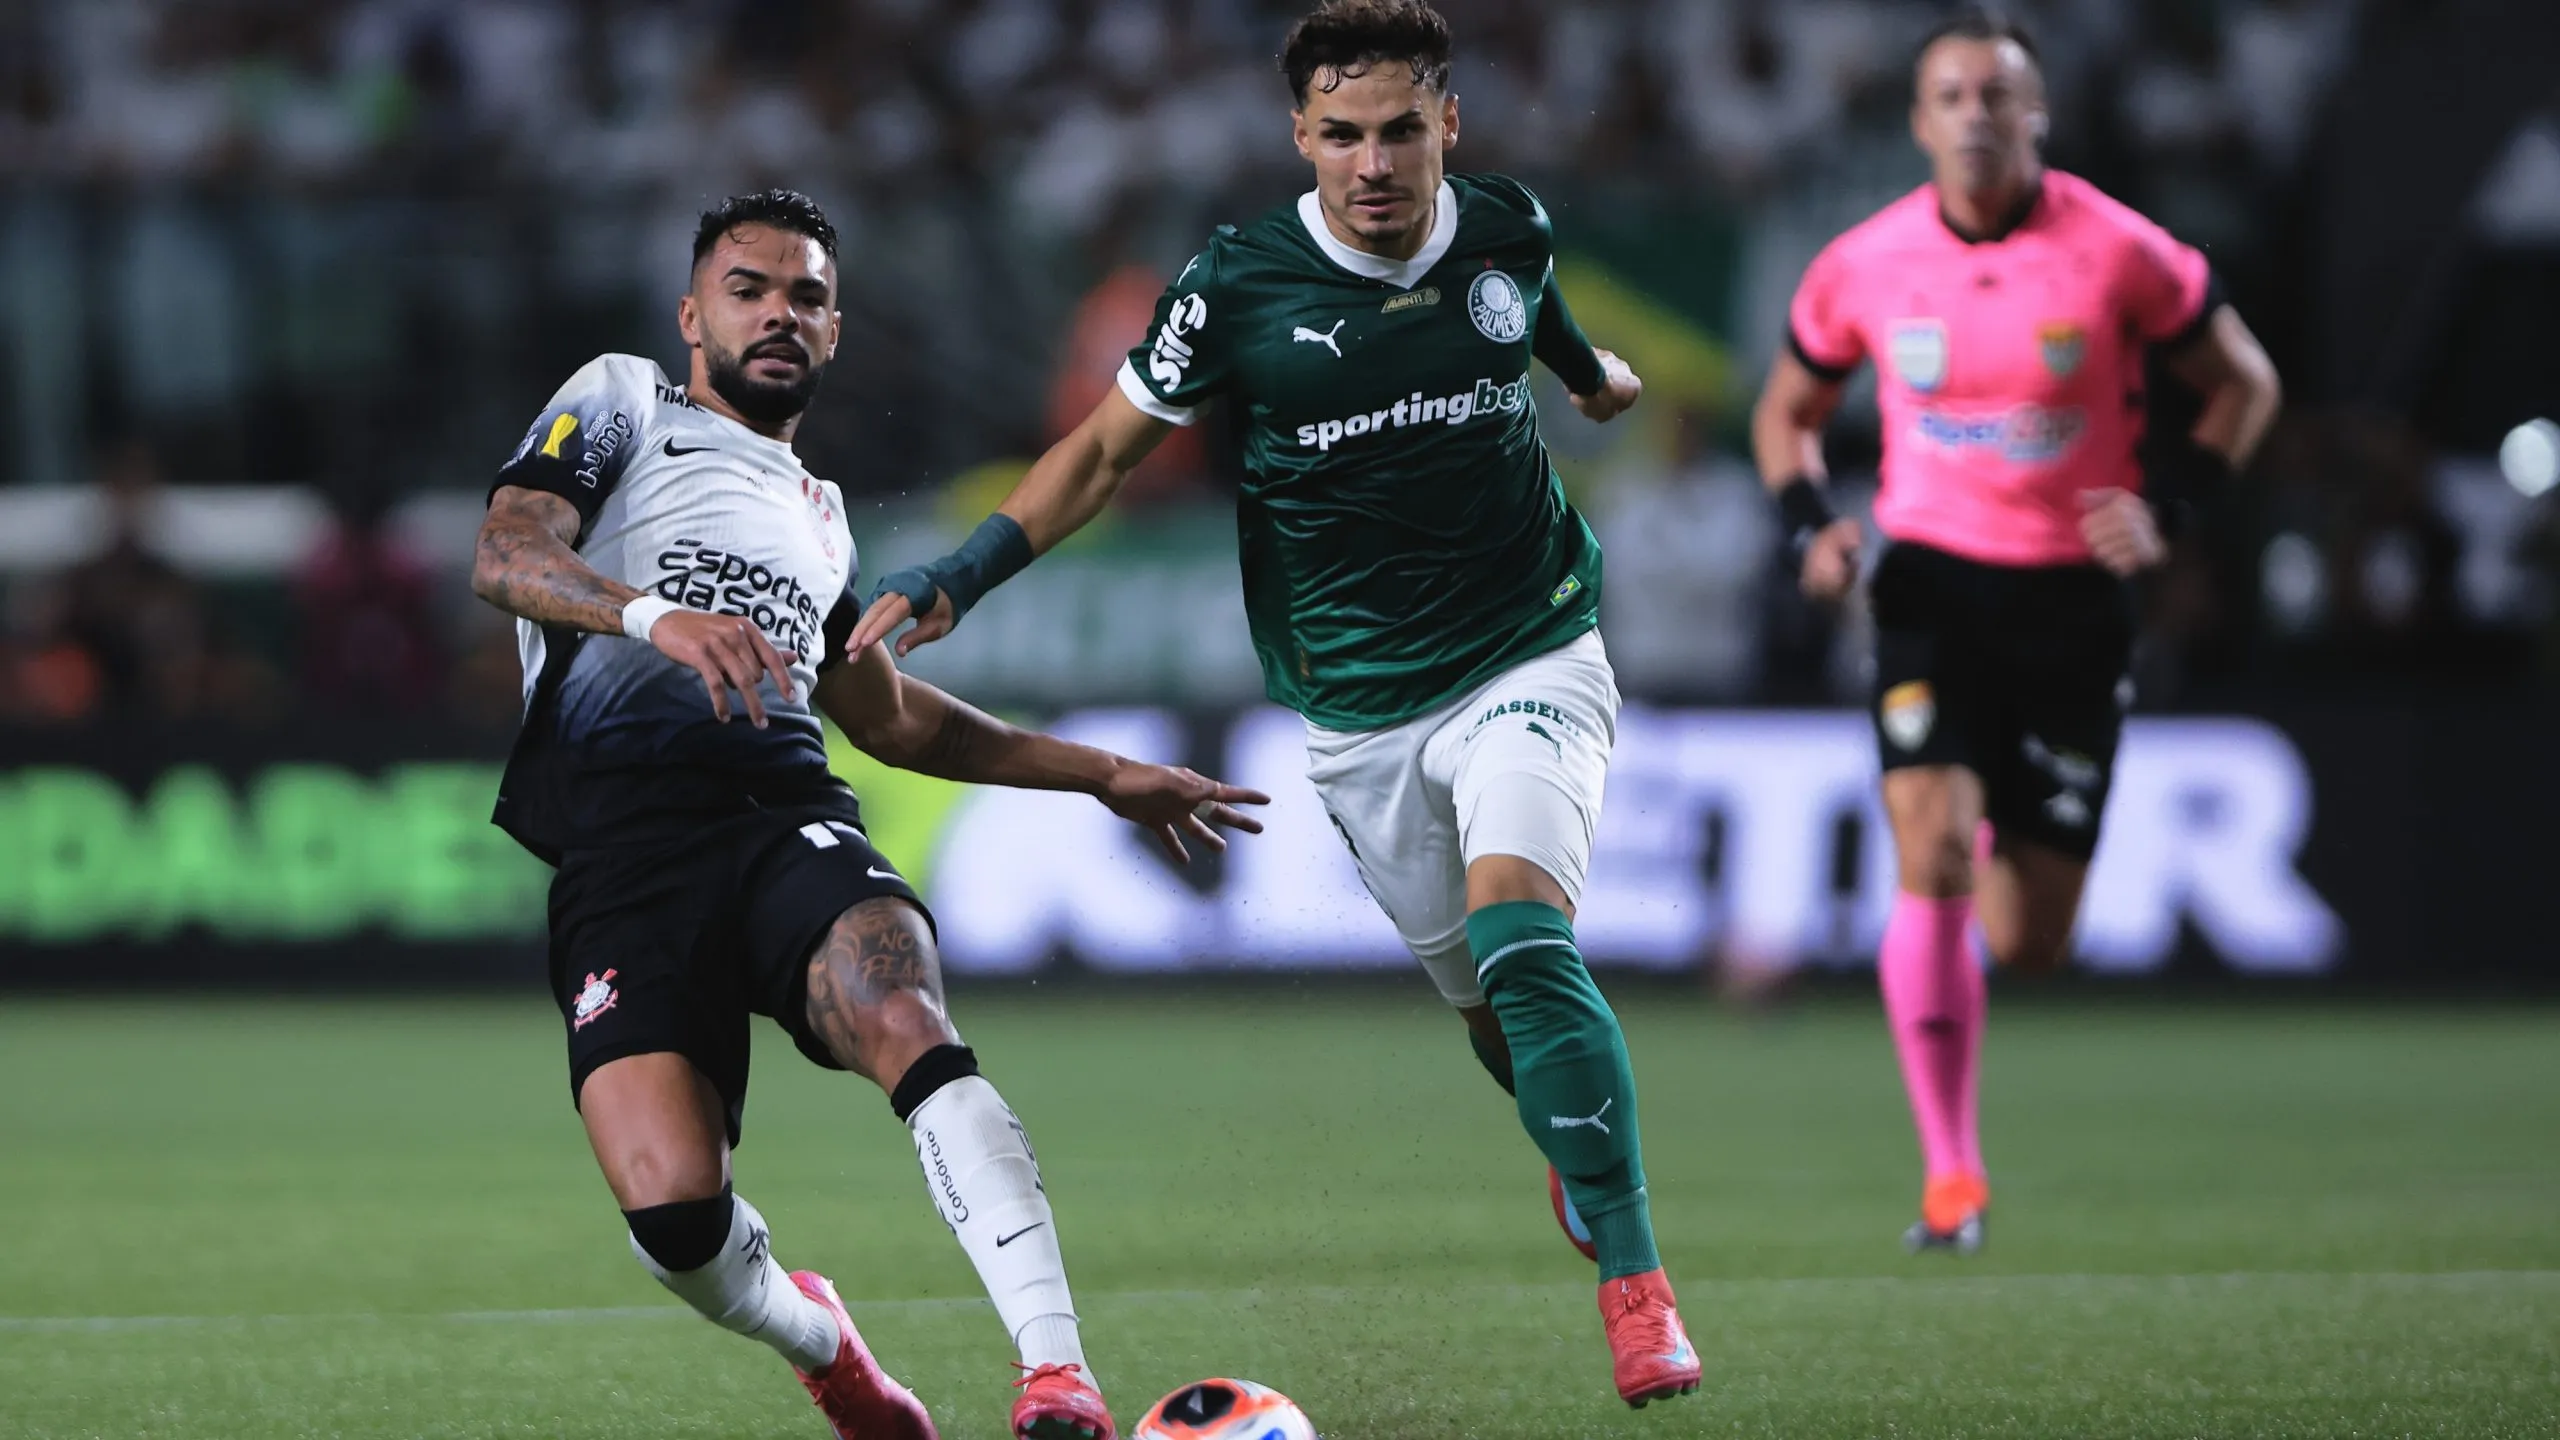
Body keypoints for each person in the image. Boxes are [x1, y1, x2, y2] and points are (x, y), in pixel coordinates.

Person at [846, 1, 1701, 1409]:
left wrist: (1590, 375)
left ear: (1450, 127)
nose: (1376, 163)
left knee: (1523, 938)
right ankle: (1575, 1148)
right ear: (1300, 136)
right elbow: (1106, 452)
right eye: (1345, 135)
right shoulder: (1237, 285)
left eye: (1403, 132)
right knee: (1495, 1013)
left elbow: (1535, 318)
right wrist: (967, 573)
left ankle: (1635, 1281)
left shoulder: (1505, 228)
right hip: (1362, 710)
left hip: (1534, 650)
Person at [472, 189, 1266, 1440]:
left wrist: (1102, 772)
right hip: (622, 850)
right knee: (677, 1219)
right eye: (750, 288)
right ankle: (825, 1344)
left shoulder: (819, 516)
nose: (779, 312)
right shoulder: (625, 398)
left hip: (781, 812)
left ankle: (1058, 1377)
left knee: (905, 1017)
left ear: (835, 334)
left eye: (808, 297)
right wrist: (652, 616)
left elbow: (892, 720)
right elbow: (506, 554)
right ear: (694, 314)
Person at [1749, 9, 2282, 1253]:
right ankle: (1951, 1176)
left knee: (2028, 942)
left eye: (1999, 94)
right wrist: (1809, 529)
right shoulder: (1865, 263)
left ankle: (1986, 844)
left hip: (2069, 603)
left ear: (2036, 115)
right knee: (1926, 854)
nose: (1976, 114)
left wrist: (2170, 509)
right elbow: (1786, 415)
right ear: (1920, 121)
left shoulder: (2119, 251)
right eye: (1952, 95)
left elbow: (2244, 385)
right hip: (1927, 586)